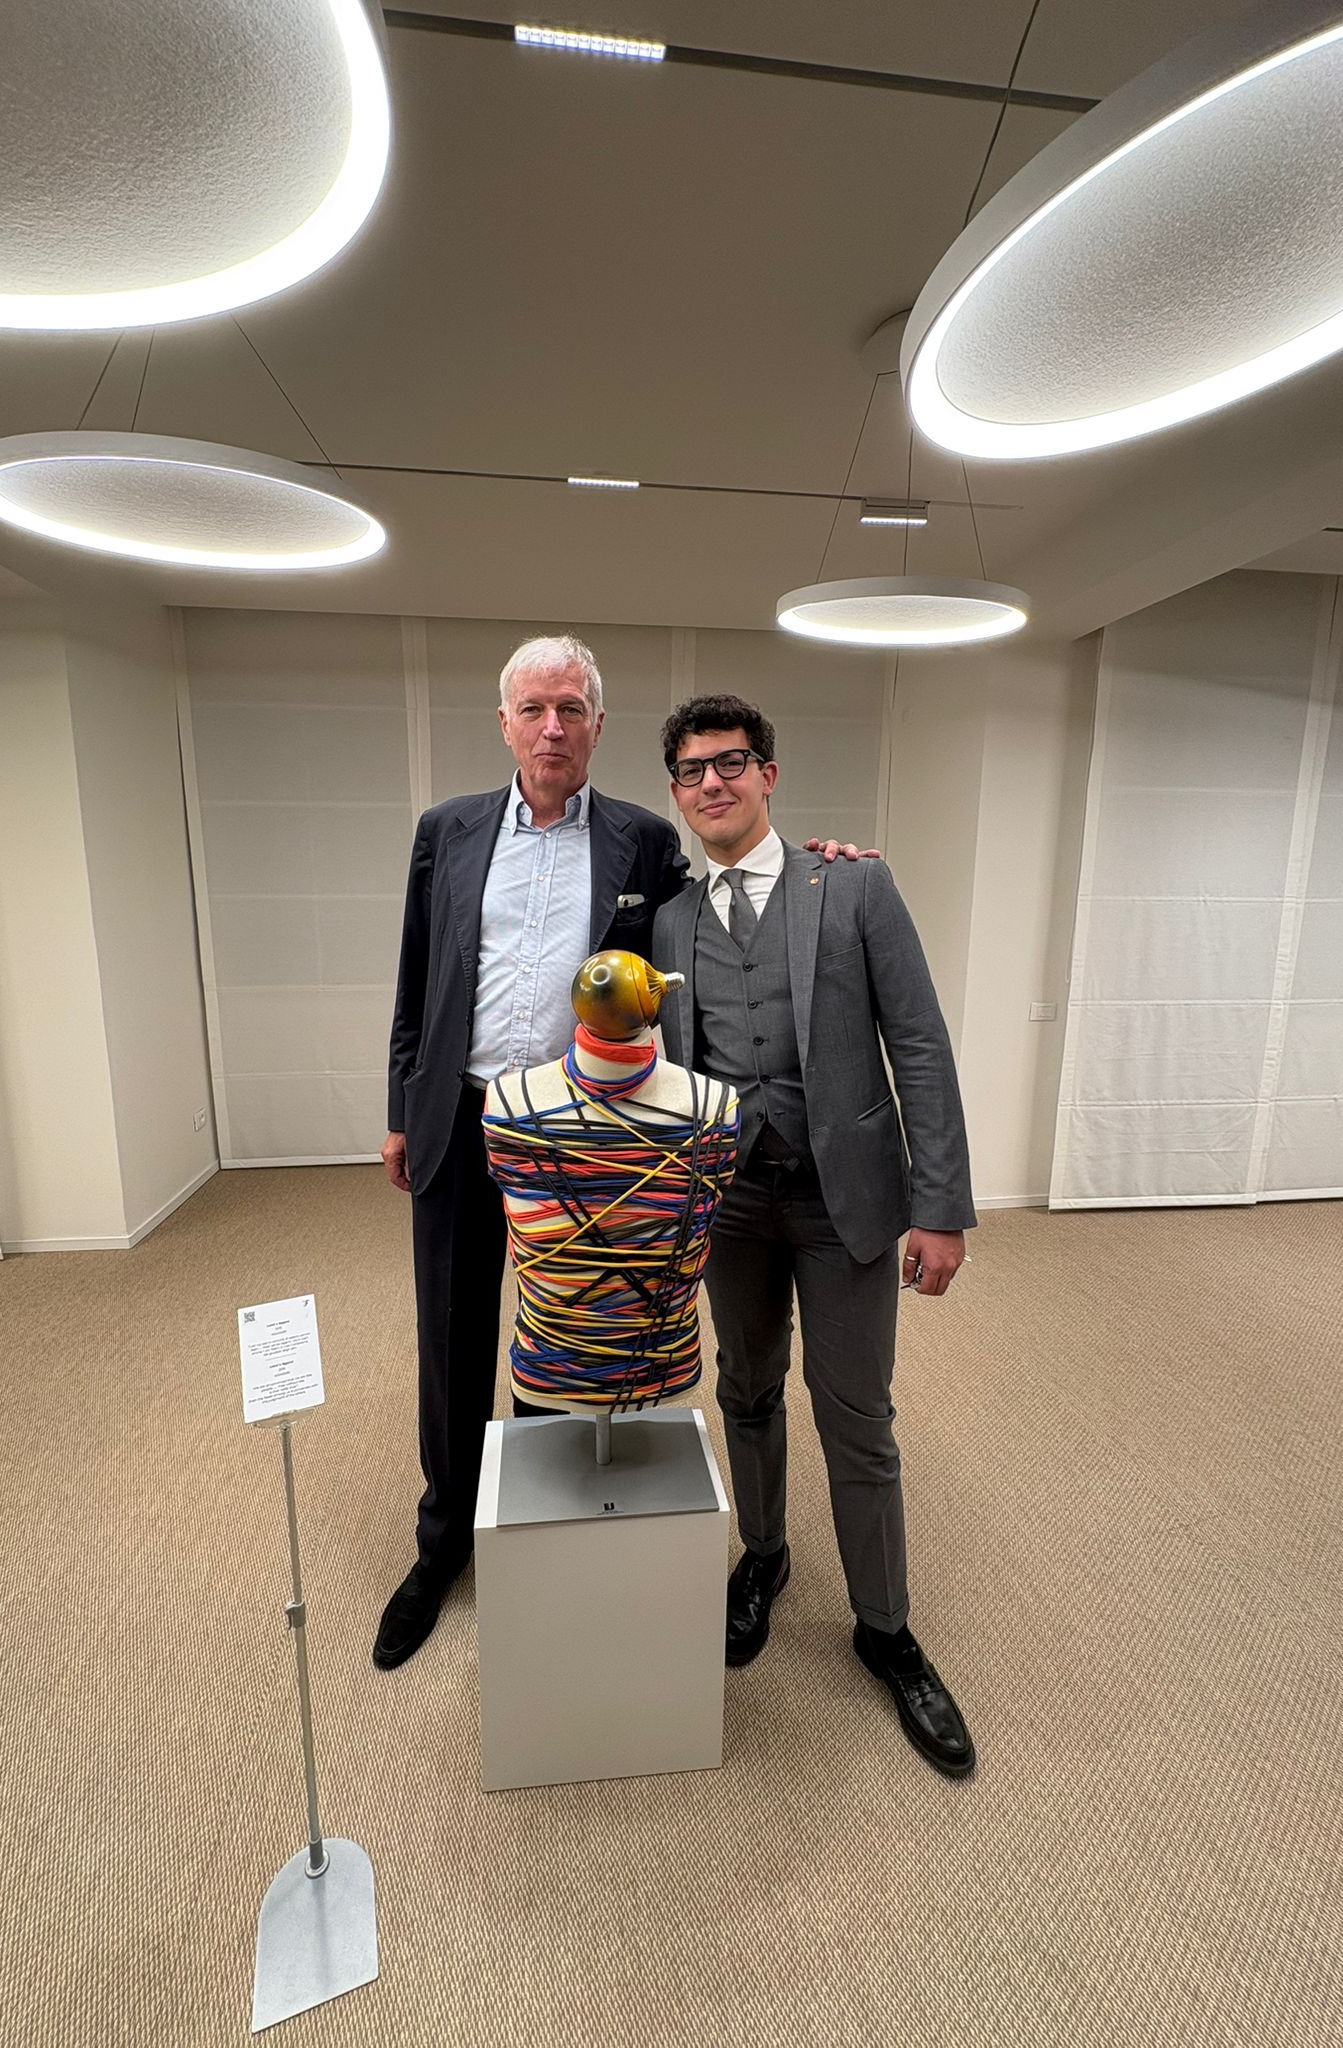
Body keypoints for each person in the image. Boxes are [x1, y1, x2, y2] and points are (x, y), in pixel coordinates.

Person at [376, 638, 871, 1669]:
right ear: (505, 722)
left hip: (587, 1135)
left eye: (571, 708)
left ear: (598, 726)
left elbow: (719, 911)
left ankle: (549, 1524)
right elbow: (418, 977)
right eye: (532, 708)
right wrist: (399, 1108)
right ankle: (443, 1540)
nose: (551, 726)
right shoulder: (447, 830)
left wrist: (820, 864)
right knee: (451, 1334)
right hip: (462, 1115)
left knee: (573, 1324)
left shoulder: (643, 840)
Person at [653, 692, 979, 1778]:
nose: (713, 782)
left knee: (858, 1417)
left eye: (731, 761)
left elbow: (919, 1041)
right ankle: (764, 1556)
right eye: (693, 769)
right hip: (732, 1202)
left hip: (848, 1200)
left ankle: (886, 1630)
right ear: (676, 791)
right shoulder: (669, 921)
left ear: (769, 774)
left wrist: (940, 1204)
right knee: (745, 1390)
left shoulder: (852, 885)